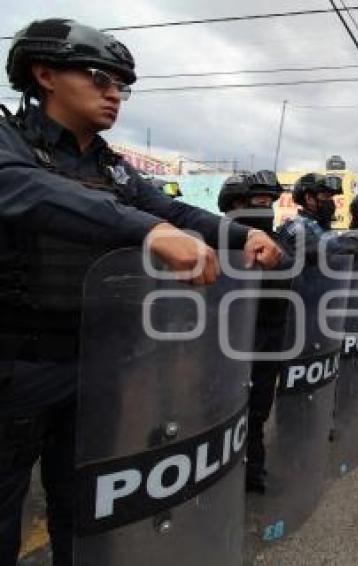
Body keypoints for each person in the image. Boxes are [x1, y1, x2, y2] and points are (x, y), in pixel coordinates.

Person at [0, 18, 281, 563]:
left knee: (88, 515)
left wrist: (244, 234)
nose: (114, 95)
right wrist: (145, 231)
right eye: (100, 78)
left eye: (121, 86)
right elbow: (24, 189)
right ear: (44, 74)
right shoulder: (8, 142)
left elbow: (171, 209)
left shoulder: (110, 167)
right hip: (16, 365)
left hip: (97, 367)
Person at [217, 171, 286, 494]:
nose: (265, 208)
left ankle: (251, 470)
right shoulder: (208, 243)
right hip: (219, 347)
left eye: (269, 201)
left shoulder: (279, 248)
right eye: (256, 201)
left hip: (265, 345)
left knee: (256, 414)